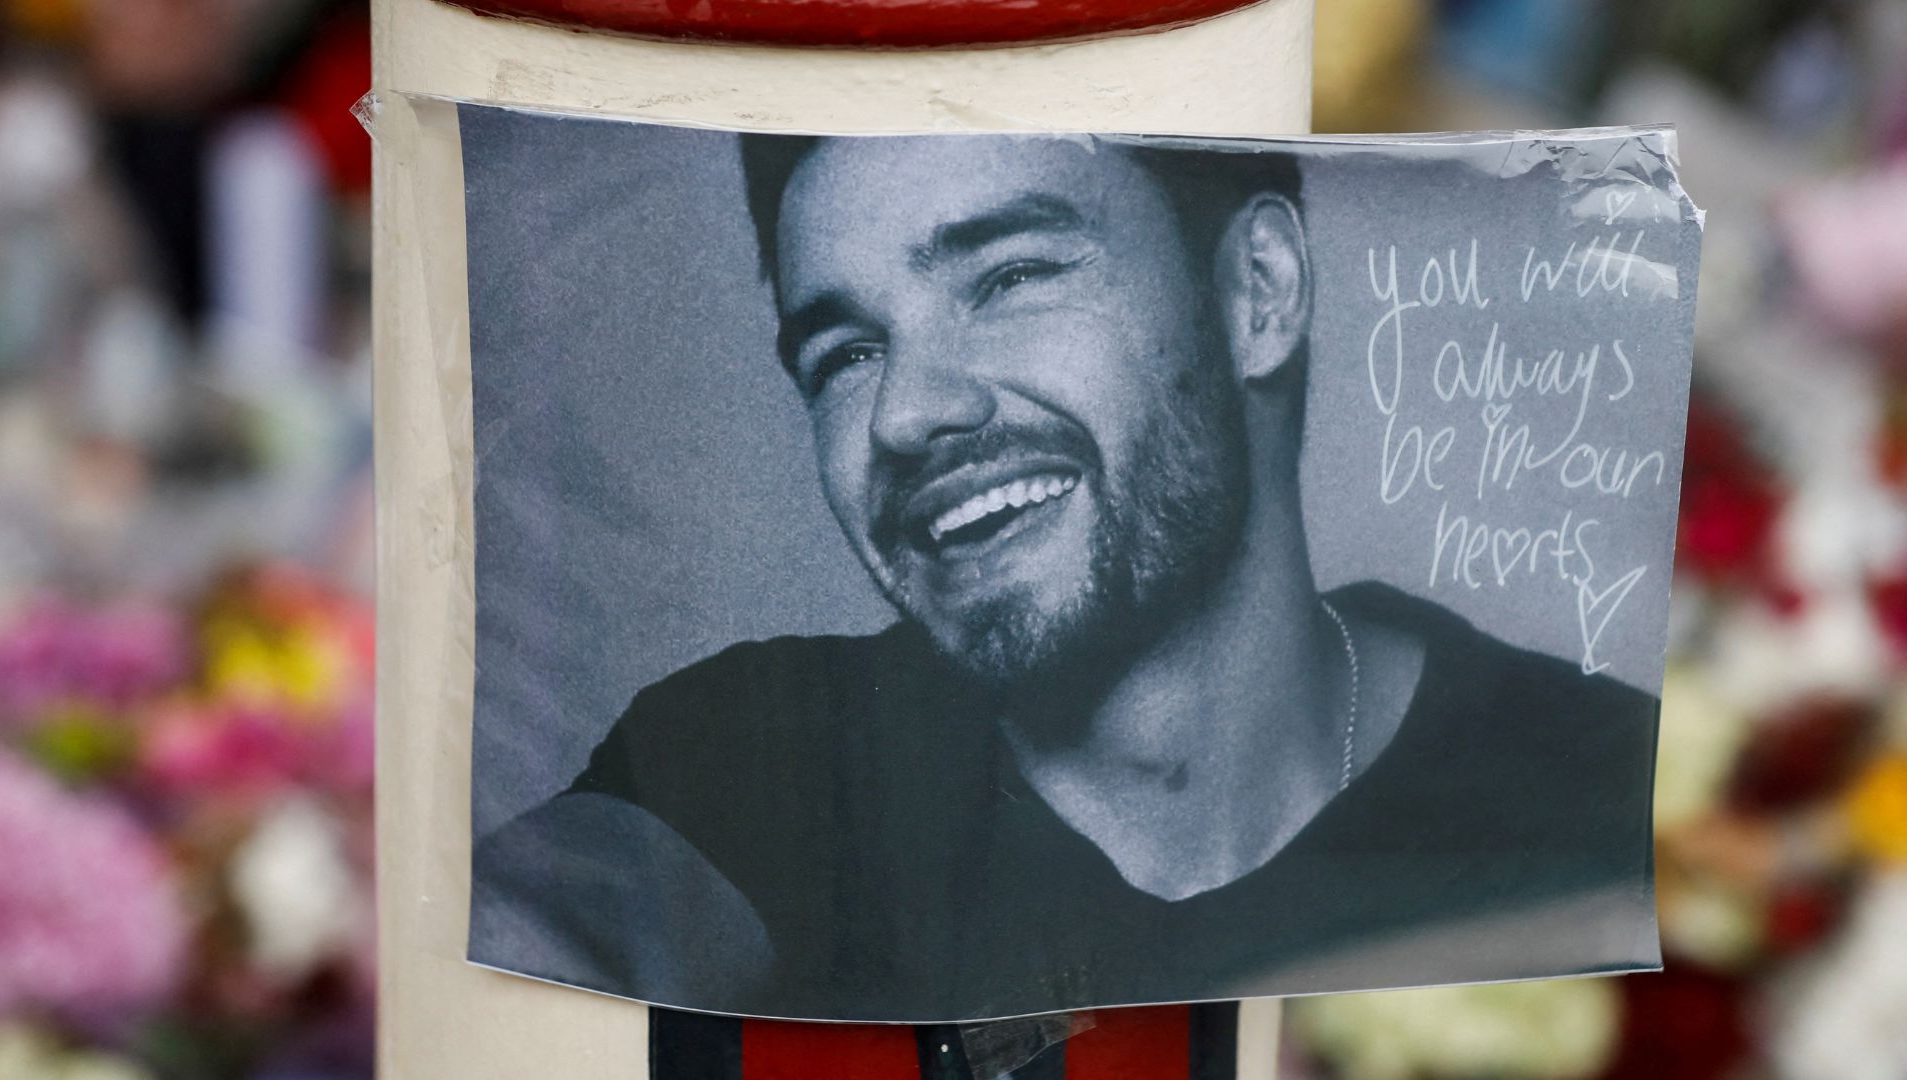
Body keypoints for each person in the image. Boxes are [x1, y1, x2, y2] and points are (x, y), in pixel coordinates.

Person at [471, 132, 1662, 1023]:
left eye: (1009, 278)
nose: (905, 412)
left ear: (1257, 292)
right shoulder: (764, 749)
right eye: (847, 352)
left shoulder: (1593, 796)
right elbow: (545, 924)